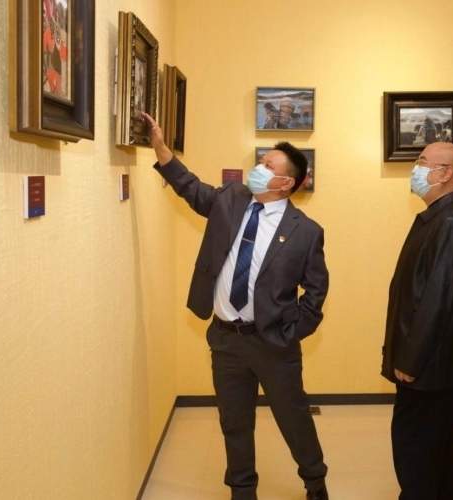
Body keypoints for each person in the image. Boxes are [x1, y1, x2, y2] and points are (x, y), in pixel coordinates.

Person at [141, 112, 330, 500]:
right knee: (234, 423)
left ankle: (315, 483)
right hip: (226, 339)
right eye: (261, 161)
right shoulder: (231, 199)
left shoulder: (306, 232)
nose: (259, 168)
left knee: (293, 419)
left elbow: (316, 292)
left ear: (286, 183)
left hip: (273, 344)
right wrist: (161, 148)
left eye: (269, 166)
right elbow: (190, 188)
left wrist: (290, 332)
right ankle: (243, 491)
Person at [382, 142, 453, 500]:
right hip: (434, 365)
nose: (416, 168)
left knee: (417, 451)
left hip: (427, 368)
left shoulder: (451, 221)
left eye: (423, 162)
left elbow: (439, 300)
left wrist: (410, 360)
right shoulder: (442, 215)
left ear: (444, 173)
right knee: (439, 448)